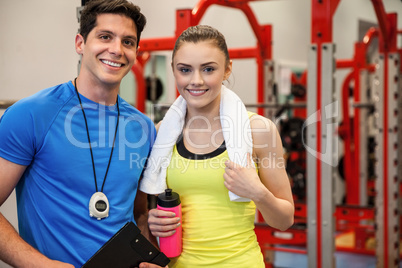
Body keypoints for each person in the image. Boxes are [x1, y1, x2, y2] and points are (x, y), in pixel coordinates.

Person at [0, 1, 164, 267]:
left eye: (128, 41)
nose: (116, 49)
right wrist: (40, 264)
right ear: (80, 43)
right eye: (105, 37)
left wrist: (151, 258)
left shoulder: (143, 128)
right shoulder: (31, 114)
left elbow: (138, 212)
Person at [140, 25, 295, 267]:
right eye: (185, 70)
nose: (196, 81)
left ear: (227, 69)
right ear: (173, 71)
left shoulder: (259, 131)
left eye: (208, 69)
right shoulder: (163, 133)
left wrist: (258, 192)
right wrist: (154, 222)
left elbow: (284, 220)